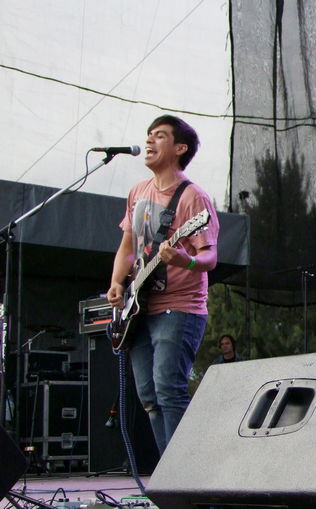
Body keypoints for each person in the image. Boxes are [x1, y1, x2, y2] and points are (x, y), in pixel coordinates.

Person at [107, 115, 219, 455]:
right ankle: (169, 471)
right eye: (149, 135)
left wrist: (184, 260)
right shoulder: (138, 192)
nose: (149, 141)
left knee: (169, 389)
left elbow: (210, 257)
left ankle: (183, 473)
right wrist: (117, 282)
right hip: (139, 308)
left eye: (159, 136)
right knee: (149, 397)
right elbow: (128, 247)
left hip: (180, 307)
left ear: (180, 148)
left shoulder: (193, 197)